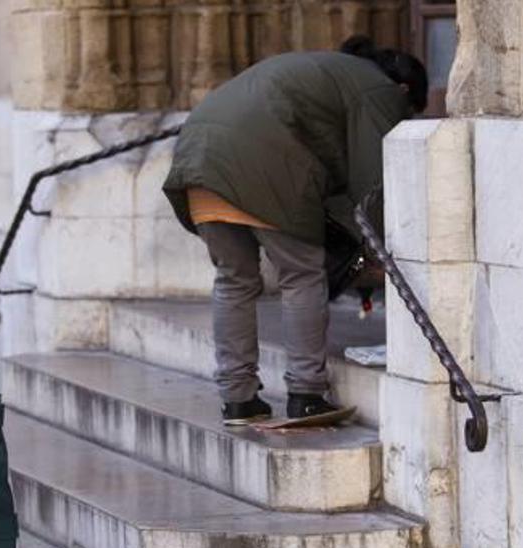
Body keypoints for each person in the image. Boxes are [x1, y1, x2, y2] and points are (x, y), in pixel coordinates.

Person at [163, 36, 428, 425]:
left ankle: (238, 399)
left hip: (198, 157)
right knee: (302, 276)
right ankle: (306, 393)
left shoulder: (328, 70)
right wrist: (385, 249)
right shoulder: (380, 90)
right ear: (405, 91)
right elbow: (375, 182)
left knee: (234, 280)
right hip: (261, 162)